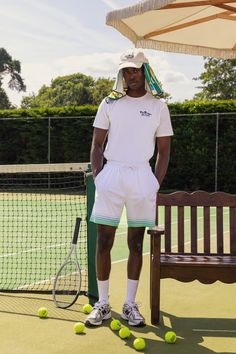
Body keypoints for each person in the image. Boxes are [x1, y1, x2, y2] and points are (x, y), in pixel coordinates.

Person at [85, 49, 173, 327]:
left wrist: (154, 183)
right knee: (104, 243)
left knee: (136, 243)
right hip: (111, 176)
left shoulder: (159, 106)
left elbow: (164, 151)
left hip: (141, 179)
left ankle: (130, 304)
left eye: (135, 69)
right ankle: (103, 304)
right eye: (126, 70)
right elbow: (97, 144)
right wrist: (100, 176)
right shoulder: (109, 103)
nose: (130, 74)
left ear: (145, 71)